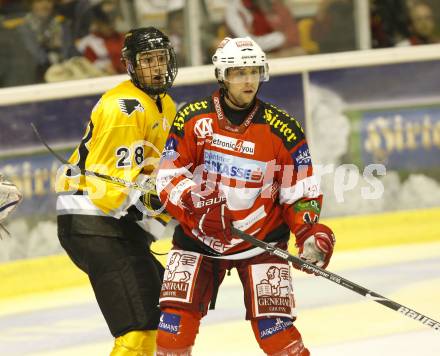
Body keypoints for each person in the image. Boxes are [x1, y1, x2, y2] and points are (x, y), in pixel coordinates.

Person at [154, 37, 336, 356]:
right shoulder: (193, 119)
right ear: (222, 76)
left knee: (277, 335)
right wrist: (197, 207)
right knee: (173, 331)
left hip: (262, 241)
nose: (249, 80)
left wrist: (309, 231)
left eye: (254, 71)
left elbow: (301, 190)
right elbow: (168, 177)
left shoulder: (283, 129)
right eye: (239, 73)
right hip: (199, 239)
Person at [55, 27, 178, 356]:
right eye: (147, 60)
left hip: (119, 229)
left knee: (168, 316)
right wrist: (166, 204)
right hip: (94, 225)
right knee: (137, 330)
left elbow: (160, 177)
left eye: (161, 58)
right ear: (131, 66)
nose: (156, 67)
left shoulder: (166, 107)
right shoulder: (122, 108)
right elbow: (108, 189)